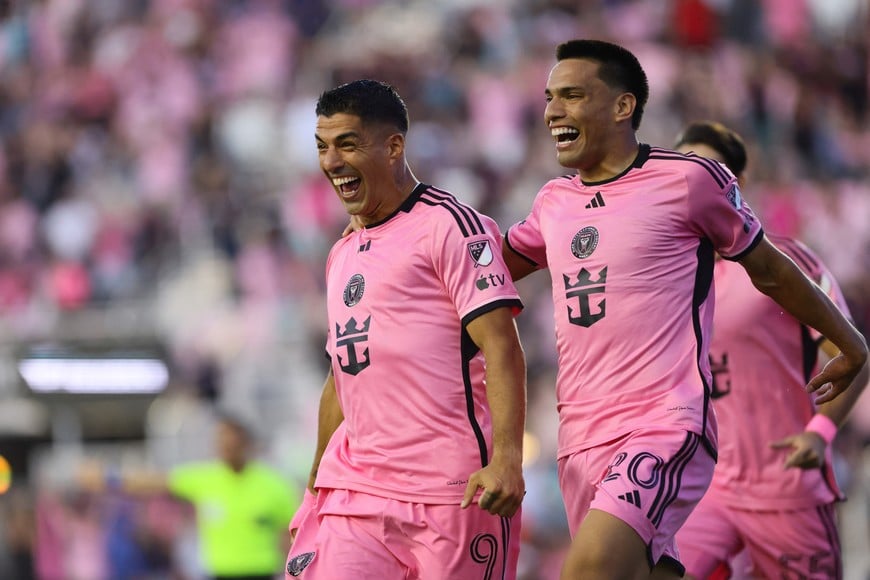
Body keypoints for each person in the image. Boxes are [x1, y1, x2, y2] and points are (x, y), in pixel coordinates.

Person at [500, 39, 868, 580]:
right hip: (579, 436)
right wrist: (392, 224)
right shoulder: (554, 202)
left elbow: (771, 270)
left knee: (587, 572)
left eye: (572, 95)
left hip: (671, 429)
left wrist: (852, 347)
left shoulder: (687, 184)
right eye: (551, 96)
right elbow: (488, 270)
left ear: (623, 107)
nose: (553, 109)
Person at [285, 79, 527, 579]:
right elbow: (344, 371)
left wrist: (507, 458)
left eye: (348, 144)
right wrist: (317, 469)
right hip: (357, 488)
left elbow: (501, 346)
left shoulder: (450, 226)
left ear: (393, 146)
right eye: (323, 147)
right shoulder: (342, 251)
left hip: (450, 492)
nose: (331, 162)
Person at [671, 121, 869, 580]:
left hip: (785, 483)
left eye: (706, 173)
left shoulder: (785, 262)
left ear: (734, 184)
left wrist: (820, 433)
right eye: (683, 174)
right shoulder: (669, 276)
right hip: (705, 489)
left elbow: (854, 355)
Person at [79, 411, 299, 580]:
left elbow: (292, 535)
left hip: (262, 573)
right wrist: (109, 478)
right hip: (219, 573)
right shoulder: (205, 479)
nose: (226, 447)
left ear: (246, 445)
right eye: (221, 441)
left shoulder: (274, 485)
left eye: (231, 442)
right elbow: (154, 482)